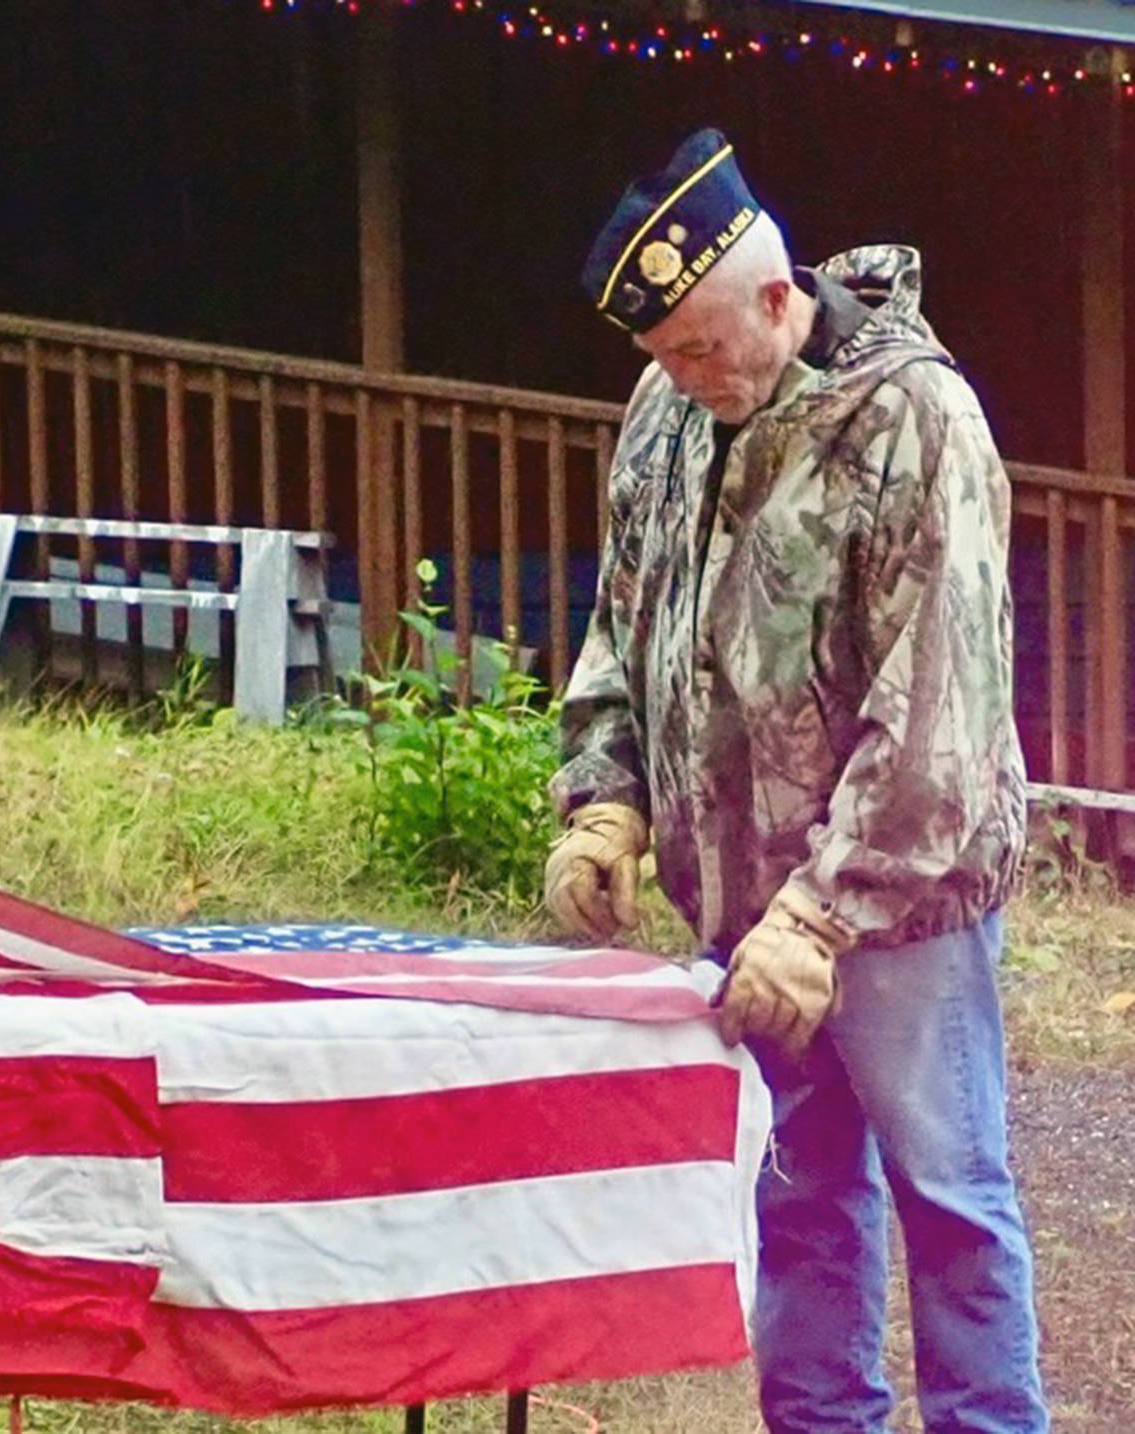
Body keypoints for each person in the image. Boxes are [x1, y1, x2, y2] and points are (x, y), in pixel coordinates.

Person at [544, 128, 1048, 1433]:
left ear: (780, 298)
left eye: (702, 349)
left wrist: (819, 919)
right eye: (664, 355)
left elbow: (937, 713)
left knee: (950, 1197)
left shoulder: (916, 419)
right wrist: (607, 797)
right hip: (739, 897)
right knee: (798, 1194)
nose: (684, 377)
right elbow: (627, 622)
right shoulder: (671, 407)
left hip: (896, 908)